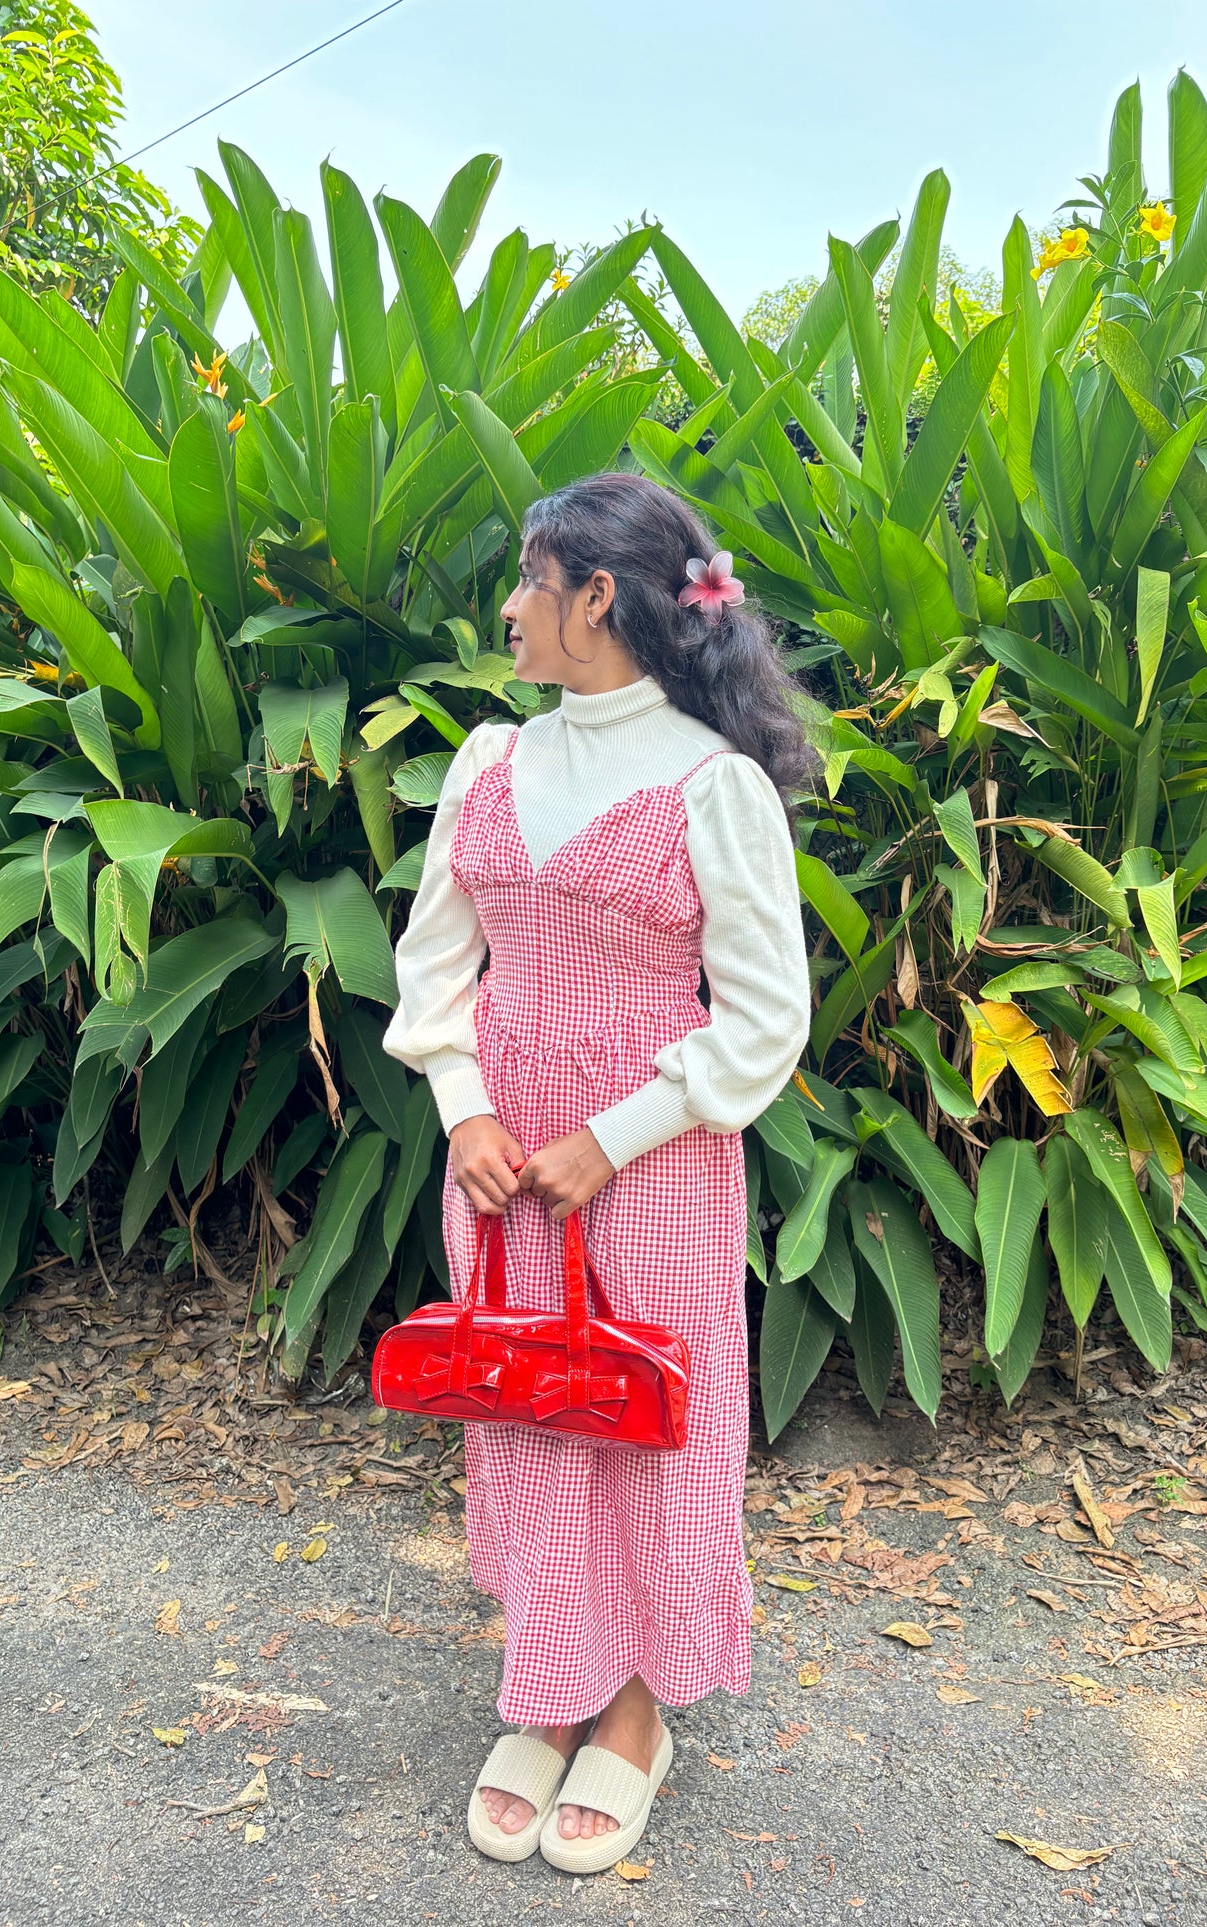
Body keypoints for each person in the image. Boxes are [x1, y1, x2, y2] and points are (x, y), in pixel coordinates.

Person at [382, 471, 813, 1874]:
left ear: (598, 599)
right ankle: (550, 1685)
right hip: (502, 1163)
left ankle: (632, 1712)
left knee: (641, 1413)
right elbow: (436, 965)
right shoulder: (491, 762)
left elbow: (764, 1016)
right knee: (526, 1405)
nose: (510, 608)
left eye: (532, 580)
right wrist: (462, 1112)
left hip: (654, 1160)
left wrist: (611, 1135)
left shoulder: (711, 783)